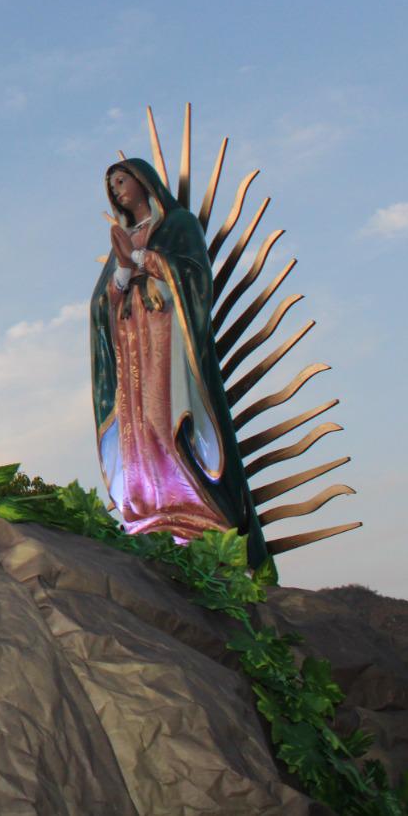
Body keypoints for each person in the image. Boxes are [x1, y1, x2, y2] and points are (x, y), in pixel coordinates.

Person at [89, 160, 270, 571]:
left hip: (168, 344)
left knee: (164, 420)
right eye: (111, 186)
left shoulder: (178, 225)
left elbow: (192, 276)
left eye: (121, 181)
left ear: (143, 181)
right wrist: (121, 269)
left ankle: (194, 512)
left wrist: (140, 257)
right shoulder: (125, 234)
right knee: (137, 429)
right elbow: (103, 304)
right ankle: (148, 512)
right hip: (133, 345)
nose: (117, 190)